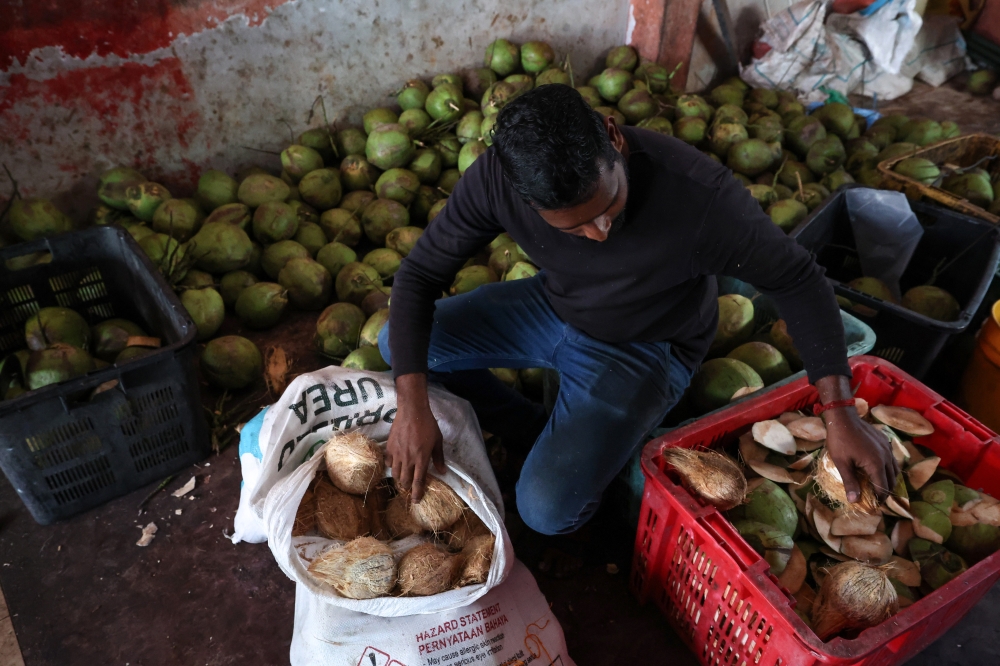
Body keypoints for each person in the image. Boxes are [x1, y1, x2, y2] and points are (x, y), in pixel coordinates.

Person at [378, 84, 897, 548]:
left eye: (608, 207)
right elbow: (418, 277)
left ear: (613, 136)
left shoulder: (700, 198)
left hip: (647, 344)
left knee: (546, 512)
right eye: (576, 229)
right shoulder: (499, 177)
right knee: (400, 349)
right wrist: (412, 405)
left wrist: (841, 412)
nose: (601, 233)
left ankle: (591, 482)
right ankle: (527, 427)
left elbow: (798, 279)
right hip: (555, 306)